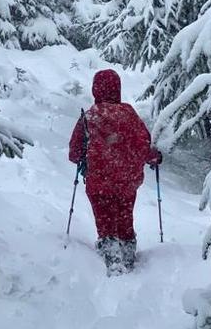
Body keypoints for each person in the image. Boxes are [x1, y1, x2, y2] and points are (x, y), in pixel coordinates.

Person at [68, 69, 162, 275]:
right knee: (124, 216)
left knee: (105, 219)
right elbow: (143, 144)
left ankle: (111, 255)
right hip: (127, 182)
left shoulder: (90, 116)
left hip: (98, 182)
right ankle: (128, 253)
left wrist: (87, 155)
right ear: (117, 88)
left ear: (95, 89)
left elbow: (74, 154)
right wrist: (154, 157)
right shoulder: (129, 115)